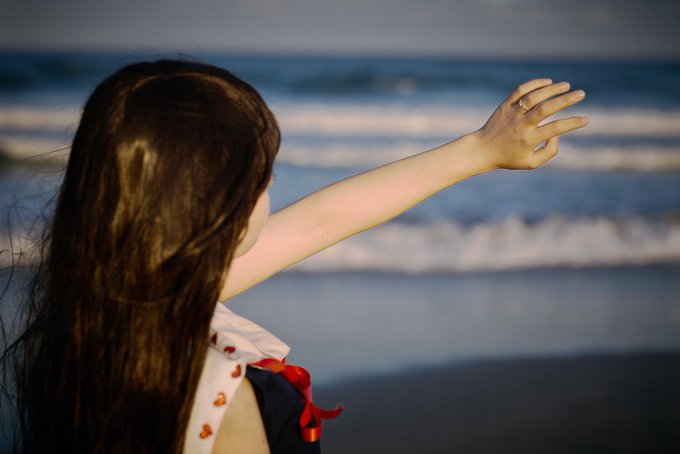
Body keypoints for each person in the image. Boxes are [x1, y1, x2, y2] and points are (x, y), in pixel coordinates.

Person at [1, 58, 588, 453]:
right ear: (219, 207)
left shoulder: (98, 315)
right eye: (263, 179)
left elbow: (320, 220)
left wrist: (479, 150)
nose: (270, 195)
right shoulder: (216, 401)